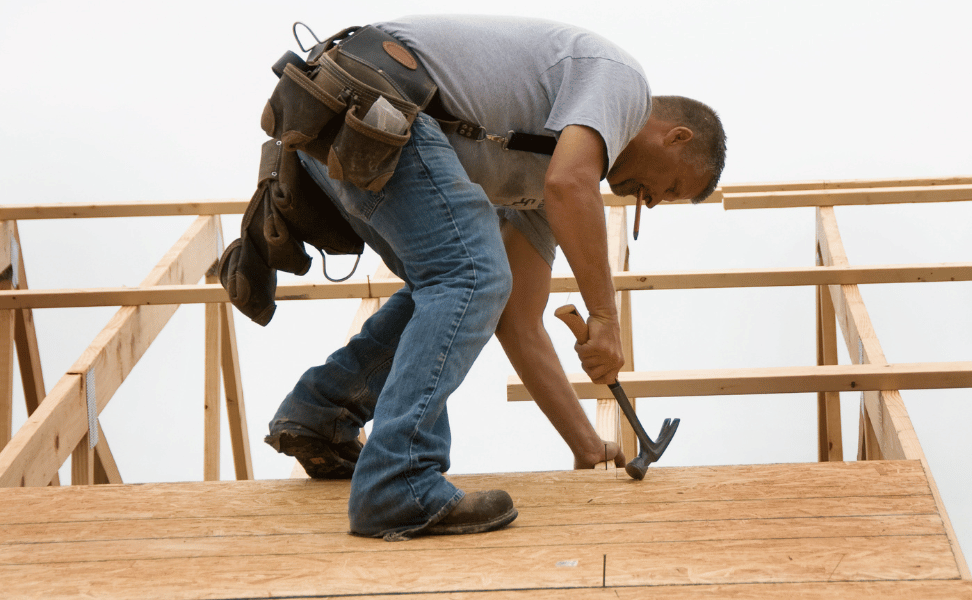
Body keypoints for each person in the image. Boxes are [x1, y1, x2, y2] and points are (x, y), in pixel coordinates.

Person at [263, 14, 726, 541]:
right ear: (676, 137)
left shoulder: (545, 172)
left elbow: (518, 323)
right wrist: (603, 317)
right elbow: (570, 184)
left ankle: (323, 411)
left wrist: (586, 444)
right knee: (468, 275)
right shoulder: (623, 85)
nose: (652, 202)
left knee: (452, 287)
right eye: (670, 188)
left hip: (341, 117)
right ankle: (400, 483)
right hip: (374, 98)